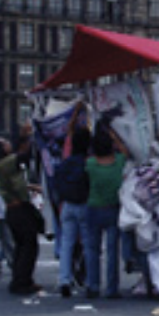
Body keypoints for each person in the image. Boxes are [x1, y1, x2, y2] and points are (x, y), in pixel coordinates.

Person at [0, 131, 43, 296]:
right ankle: (21, 282)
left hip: (17, 209)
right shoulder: (6, 162)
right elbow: (28, 154)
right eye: (4, 142)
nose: (8, 143)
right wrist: (35, 133)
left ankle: (23, 279)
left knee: (23, 246)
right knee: (28, 246)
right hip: (19, 209)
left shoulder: (3, 164)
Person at [85, 125, 127, 299]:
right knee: (112, 251)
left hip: (93, 208)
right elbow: (126, 152)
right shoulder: (119, 162)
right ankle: (111, 288)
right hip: (113, 209)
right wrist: (114, 134)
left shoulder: (91, 164)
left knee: (92, 250)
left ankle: (93, 285)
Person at [55, 126, 92, 298]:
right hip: (84, 204)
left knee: (66, 244)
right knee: (88, 244)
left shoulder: (64, 163)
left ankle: (64, 279)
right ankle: (90, 280)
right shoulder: (88, 163)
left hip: (67, 204)